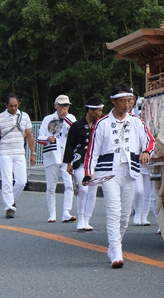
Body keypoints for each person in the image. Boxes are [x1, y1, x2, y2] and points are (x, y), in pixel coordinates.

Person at [83, 83, 154, 268]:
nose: (127, 105)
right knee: (114, 211)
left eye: (130, 101)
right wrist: (89, 173)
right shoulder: (102, 123)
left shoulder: (137, 121)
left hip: (130, 171)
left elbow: (149, 141)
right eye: (123, 101)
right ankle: (116, 252)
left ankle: (114, 245)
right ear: (113, 101)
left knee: (124, 216)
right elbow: (92, 151)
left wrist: (146, 151)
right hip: (108, 172)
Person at [0, 93, 36, 219]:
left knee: (22, 181)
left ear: (19, 104)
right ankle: (9, 208)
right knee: (7, 180)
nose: (14, 108)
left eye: (16, 105)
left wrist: (33, 153)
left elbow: (30, 135)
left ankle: (10, 200)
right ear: (6, 105)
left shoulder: (24, 116)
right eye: (11, 106)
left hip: (20, 151)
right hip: (5, 152)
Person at [64, 97, 104, 231]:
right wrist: (68, 162)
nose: (100, 113)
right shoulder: (77, 125)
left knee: (92, 191)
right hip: (80, 161)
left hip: (96, 162)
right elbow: (70, 144)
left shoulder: (101, 125)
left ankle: (87, 219)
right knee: (83, 189)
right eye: (98, 110)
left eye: (101, 110)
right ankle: (80, 218)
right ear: (90, 110)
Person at [38, 95, 77, 223]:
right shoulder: (48, 119)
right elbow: (39, 138)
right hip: (51, 155)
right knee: (51, 187)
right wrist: (47, 139)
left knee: (69, 184)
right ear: (56, 106)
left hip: (67, 156)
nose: (64, 108)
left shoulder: (71, 118)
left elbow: (76, 132)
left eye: (66, 105)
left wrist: (66, 118)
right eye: (61, 105)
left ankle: (66, 212)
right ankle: (52, 214)